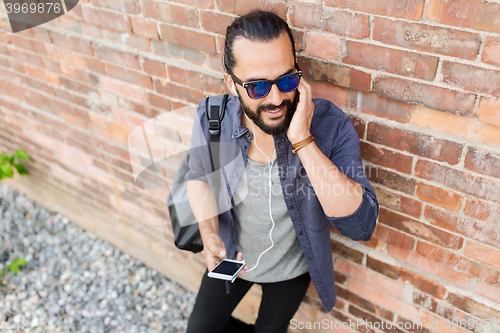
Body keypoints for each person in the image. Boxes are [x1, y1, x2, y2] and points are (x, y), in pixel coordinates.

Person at [184, 10, 379, 333]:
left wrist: (303, 140)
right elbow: (198, 177)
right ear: (231, 85)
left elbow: (360, 225)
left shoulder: (330, 125)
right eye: (257, 87)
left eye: (286, 80)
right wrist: (208, 232)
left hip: (291, 271)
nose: (276, 99)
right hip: (231, 259)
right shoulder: (212, 116)